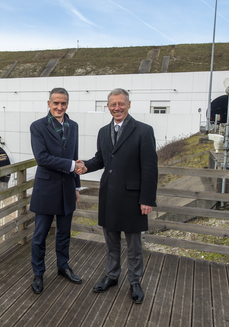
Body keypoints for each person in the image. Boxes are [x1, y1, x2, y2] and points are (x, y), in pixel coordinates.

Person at [76, 88, 158, 303]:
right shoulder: (103, 131)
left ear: (129, 105)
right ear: (108, 107)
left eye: (121, 103)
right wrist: (85, 166)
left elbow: (150, 168)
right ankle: (112, 276)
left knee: (134, 245)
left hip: (133, 197)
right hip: (109, 195)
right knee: (111, 242)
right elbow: (101, 159)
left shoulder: (143, 130)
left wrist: (147, 199)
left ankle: (134, 281)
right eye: (113, 104)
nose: (117, 108)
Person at [29, 87, 84, 294]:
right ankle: (38, 273)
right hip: (46, 189)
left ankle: (63, 266)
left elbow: (75, 155)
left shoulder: (74, 126)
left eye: (63, 103)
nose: (59, 107)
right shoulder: (37, 127)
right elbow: (41, 158)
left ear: (67, 104)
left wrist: (76, 185)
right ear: (49, 104)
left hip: (67, 188)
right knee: (40, 235)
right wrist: (71, 165)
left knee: (64, 234)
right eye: (56, 103)